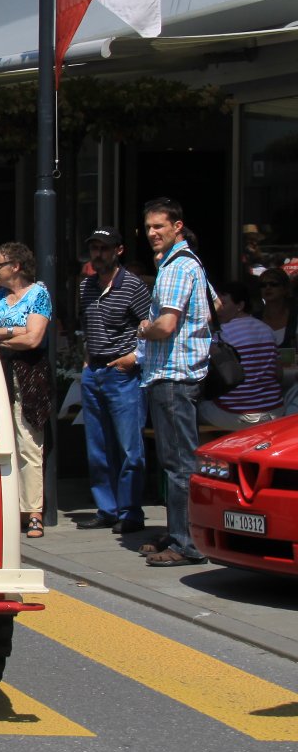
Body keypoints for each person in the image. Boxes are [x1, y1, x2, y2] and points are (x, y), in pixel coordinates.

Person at [136, 197, 215, 567]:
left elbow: (165, 326)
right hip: (179, 374)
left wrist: (144, 328)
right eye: (148, 227)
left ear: (177, 226)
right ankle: (179, 531)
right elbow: (216, 308)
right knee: (176, 461)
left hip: (172, 375)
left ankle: (187, 543)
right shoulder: (190, 263)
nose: (152, 233)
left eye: (159, 226)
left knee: (179, 463)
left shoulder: (175, 267)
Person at [76, 226, 153, 534]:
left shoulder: (132, 285)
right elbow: (86, 326)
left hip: (123, 373)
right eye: (94, 248)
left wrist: (134, 358)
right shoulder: (86, 286)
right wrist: (86, 363)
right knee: (97, 447)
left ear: (119, 251)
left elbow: (150, 326)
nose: (98, 254)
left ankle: (131, 512)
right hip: (94, 371)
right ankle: (107, 509)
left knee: (129, 448)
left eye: (104, 248)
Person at [0, 241, 52, 539]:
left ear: (16, 267)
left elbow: (33, 339)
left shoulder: (38, 294)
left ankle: (33, 512)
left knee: (28, 441)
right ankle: (5, 507)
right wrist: (14, 331)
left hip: (28, 373)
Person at [200, 281, 283, 430]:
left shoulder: (220, 335)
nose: (216, 309)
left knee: (191, 409)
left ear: (240, 305)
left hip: (235, 414)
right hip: (275, 411)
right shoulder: (267, 330)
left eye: (222, 303)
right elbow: (278, 374)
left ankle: (210, 446)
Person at [256, 267, 298, 347]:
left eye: (273, 284)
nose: (268, 287)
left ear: (285, 289)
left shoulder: (295, 317)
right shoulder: (254, 319)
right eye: (263, 285)